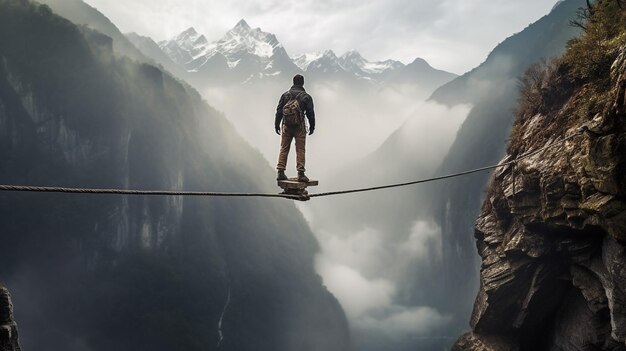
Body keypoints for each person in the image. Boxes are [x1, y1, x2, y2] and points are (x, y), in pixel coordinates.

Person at [275, 74, 315, 182]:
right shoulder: (306, 97)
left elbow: (279, 111)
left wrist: (277, 124)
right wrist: (312, 127)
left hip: (286, 126)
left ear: (293, 82)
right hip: (300, 127)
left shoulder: (285, 95)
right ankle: (301, 173)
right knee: (300, 149)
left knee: (284, 148)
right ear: (302, 83)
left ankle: (280, 172)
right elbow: (310, 113)